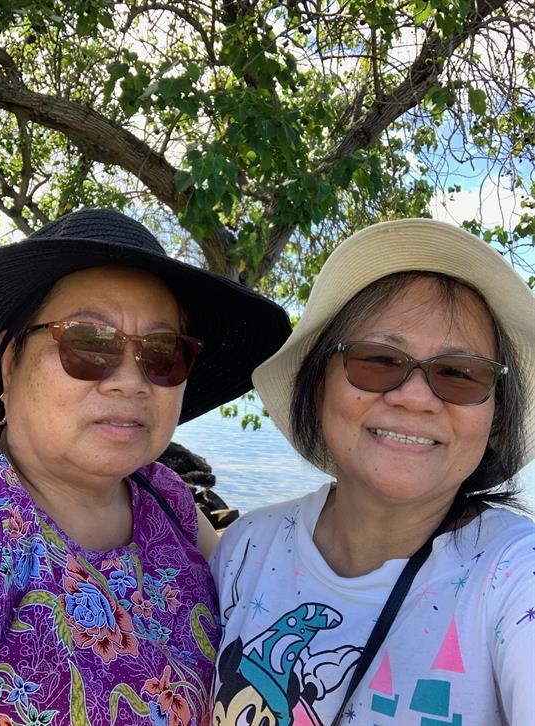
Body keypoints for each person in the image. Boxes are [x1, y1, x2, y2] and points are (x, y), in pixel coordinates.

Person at [210, 218, 535, 725]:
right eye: (380, 360)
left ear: (496, 417)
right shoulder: (246, 547)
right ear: (320, 385)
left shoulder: (515, 576)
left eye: (459, 373)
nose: (416, 397)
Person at [0, 208, 291, 725]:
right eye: (88, 342)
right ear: (9, 358)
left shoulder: (166, 497)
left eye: (163, 352)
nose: (130, 381)